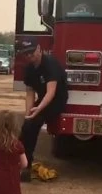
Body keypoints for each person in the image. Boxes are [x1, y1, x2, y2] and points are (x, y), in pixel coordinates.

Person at [18, 38, 69, 182]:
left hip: (56, 100)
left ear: (39, 49)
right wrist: (28, 113)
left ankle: (26, 165)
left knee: (34, 123)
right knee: (26, 126)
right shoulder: (28, 69)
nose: (29, 56)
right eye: (25, 54)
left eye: (31, 52)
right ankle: (22, 162)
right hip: (42, 100)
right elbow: (29, 93)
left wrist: (38, 110)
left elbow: (51, 92)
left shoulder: (50, 64)